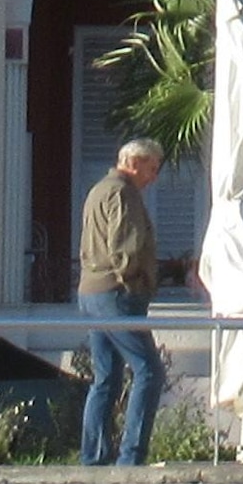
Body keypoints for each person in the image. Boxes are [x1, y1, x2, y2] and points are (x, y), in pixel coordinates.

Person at [75, 137, 171, 465]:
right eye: (152, 168)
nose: (153, 177)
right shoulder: (123, 193)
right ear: (134, 163)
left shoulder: (98, 190)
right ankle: (131, 456)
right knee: (148, 371)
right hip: (116, 293)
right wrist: (136, 281)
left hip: (91, 291)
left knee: (106, 378)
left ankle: (94, 456)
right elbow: (125, 248)